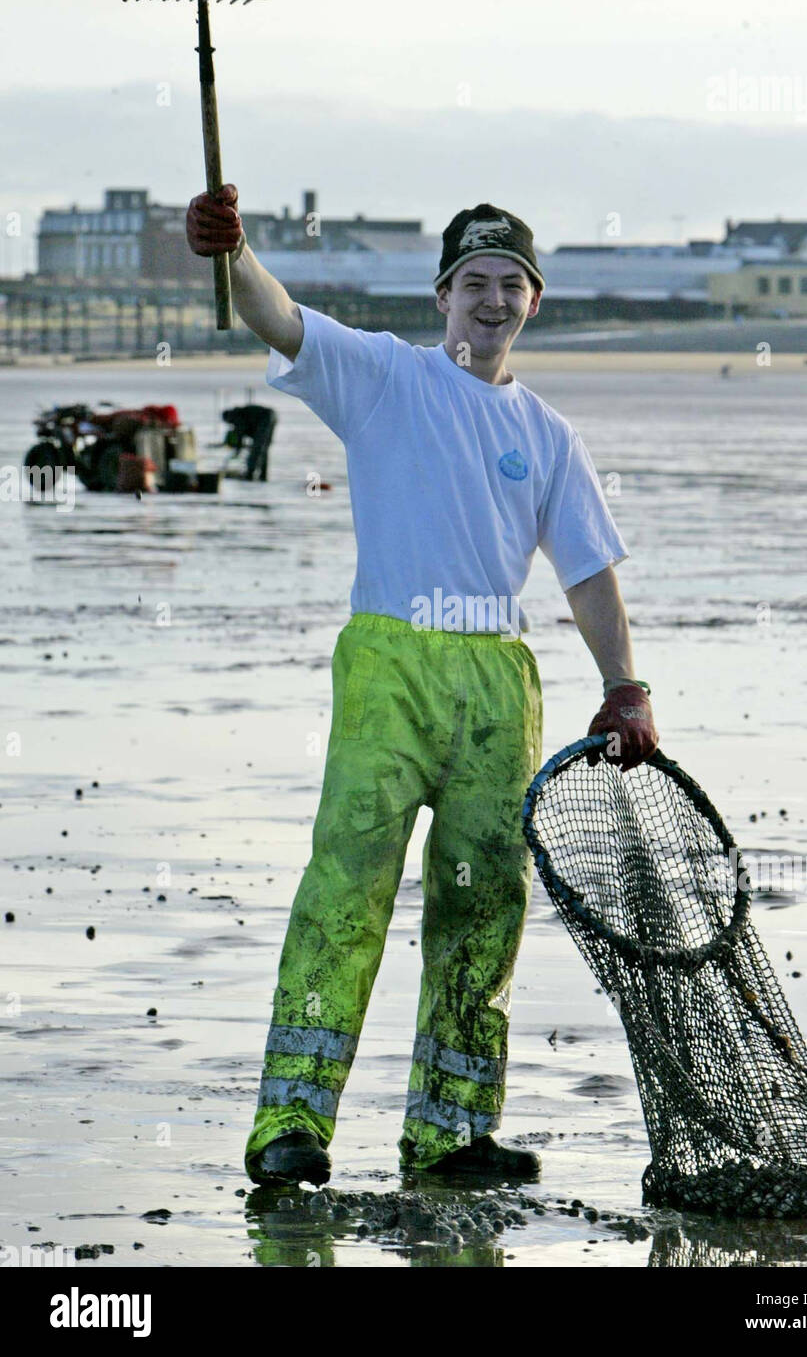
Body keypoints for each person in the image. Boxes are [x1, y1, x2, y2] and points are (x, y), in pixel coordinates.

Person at [186, 188, 659, 1185]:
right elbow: (273, 312)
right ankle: (291, 1126)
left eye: (511, 286)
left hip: (498, 677)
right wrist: (233, 253)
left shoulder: (548, 434)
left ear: (535, 303)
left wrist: (625, 686)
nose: (491, 302)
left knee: (485, 903)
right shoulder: (383, 379)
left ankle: (450, 1132)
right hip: (390, 667)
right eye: (474, 284)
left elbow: (585, 573)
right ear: (443, 294)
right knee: (345, 891)